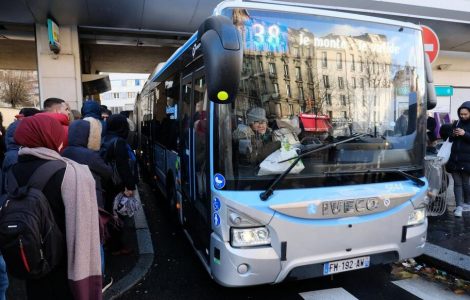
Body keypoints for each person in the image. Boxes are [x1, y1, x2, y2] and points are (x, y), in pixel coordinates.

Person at [10, 114, 102, 299]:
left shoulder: (12, 169)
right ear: (50, 135)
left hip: (31, 260)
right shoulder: (70, 172)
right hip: (64, 267)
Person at [100, 114, 137, 255]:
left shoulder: (105, 138)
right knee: (118, 216)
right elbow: (123, 166)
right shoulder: (119, 142)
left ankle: (111, 244)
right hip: (117, 185)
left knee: (111, 213)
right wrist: (130, 186)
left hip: (107, 183)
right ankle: (117, 246)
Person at [446, 101, 470, 217]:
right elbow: (450, 139)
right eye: (461, 114)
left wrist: (465, 133)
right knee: (457, 183)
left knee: (466, 183)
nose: (463, 116)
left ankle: (467, 203)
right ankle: (459, 206)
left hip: (467, 160)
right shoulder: (456, 123)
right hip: (454, 158)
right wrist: (453, 134)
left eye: (465, 114)